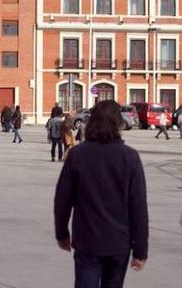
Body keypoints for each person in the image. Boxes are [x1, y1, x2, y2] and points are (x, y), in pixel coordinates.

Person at [54, 100, 148, 288]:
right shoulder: (129, 157)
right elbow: (138, 206)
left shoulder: (77, 155)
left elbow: (63, 199)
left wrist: (62, 232)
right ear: (119, 124)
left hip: (87, 239)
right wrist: (140, 250)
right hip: (118, 241)